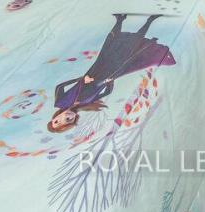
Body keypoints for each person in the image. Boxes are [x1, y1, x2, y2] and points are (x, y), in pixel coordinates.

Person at [46, 14, 174, 132]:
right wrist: (109, 82)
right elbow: (106, 92)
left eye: (57, 121)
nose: (66, 117)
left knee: (110, 45)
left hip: (96, 70)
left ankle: (120, 20)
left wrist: (81, 80)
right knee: (132, 49)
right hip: (110, 74)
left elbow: (60, 86)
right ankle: (150, 20)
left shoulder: (60, 102)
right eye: (69, 120)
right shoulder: (85, 104)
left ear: (55, 117)